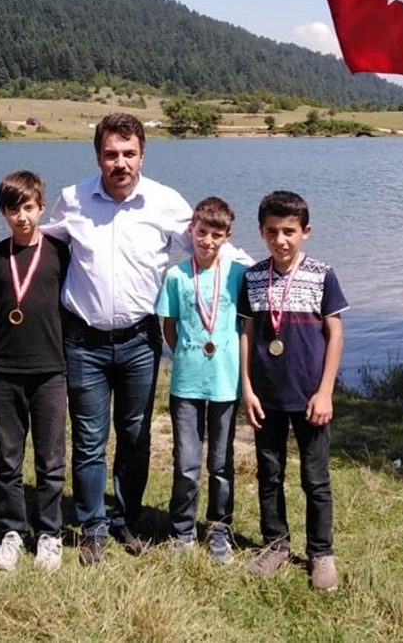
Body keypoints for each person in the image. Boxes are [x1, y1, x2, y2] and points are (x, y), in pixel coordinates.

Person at [42, 112, 192, 565]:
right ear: (98, 156)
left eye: (129, 154)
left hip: (140, 342)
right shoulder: (72, 199)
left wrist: (260, 275)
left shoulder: (165, 202)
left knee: (135, 435)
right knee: (89, 439)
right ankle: (93, 528)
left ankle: (126, 519)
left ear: (143, 155)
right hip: (82, 342)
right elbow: (39, 247)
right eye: (111, 154)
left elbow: (208, 246)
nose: (120, 163)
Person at [238, 190, 347, 591]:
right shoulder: (253, 276)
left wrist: (325, 392)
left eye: (289, 231)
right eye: (272, 232)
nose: (280, 240)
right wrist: (247, 388)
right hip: (266, 396)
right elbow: (247, 334)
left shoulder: (322, 274)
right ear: (261, 232)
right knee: (269, 473)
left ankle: (321, 552)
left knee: (315, 478)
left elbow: (335, 334)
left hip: (309, 397)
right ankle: (276, 544)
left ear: (306, 231)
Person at [0, 171, 70, 572]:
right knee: (8, 459)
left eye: (28, 207)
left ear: (42, 208)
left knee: (51, 460)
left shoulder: (60, 253)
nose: (21, 217)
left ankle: (49, 533)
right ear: (3, 212)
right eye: (13, 209)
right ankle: (13, 531)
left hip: (51, 371)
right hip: (7, 371)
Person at [155, 196, 247, 563]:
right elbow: (169, 325)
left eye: (216, 235)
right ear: (191, 231)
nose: (208, 240)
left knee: (221, 463)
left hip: (226, 382)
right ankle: (182, 530)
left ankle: (219, 528)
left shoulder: (238, 275)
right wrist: (185, 353)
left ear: (227, 237)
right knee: (186, 461)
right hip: (187, 382)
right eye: (202, 232)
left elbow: (247, 325)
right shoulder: (177, 276)